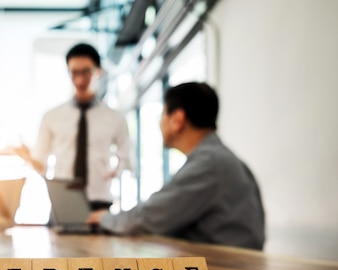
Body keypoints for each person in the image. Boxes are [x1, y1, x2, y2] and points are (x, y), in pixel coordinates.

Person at [87, 82, 265, 250]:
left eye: (163, 114)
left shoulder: (209, 164)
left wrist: (105, 218)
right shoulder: (222, 159)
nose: (160, 123)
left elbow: (149, 217)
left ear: (177, 119)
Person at [14, 43, 132, 211]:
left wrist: (116, 170)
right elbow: (41, 165)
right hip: (62, 202)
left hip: (99, 203)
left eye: (86, 72)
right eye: (74, 72)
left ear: (98, 72)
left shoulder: (115, 118)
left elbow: (126, 158)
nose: (80, 80)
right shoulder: (51, 117)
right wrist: (27, 157)